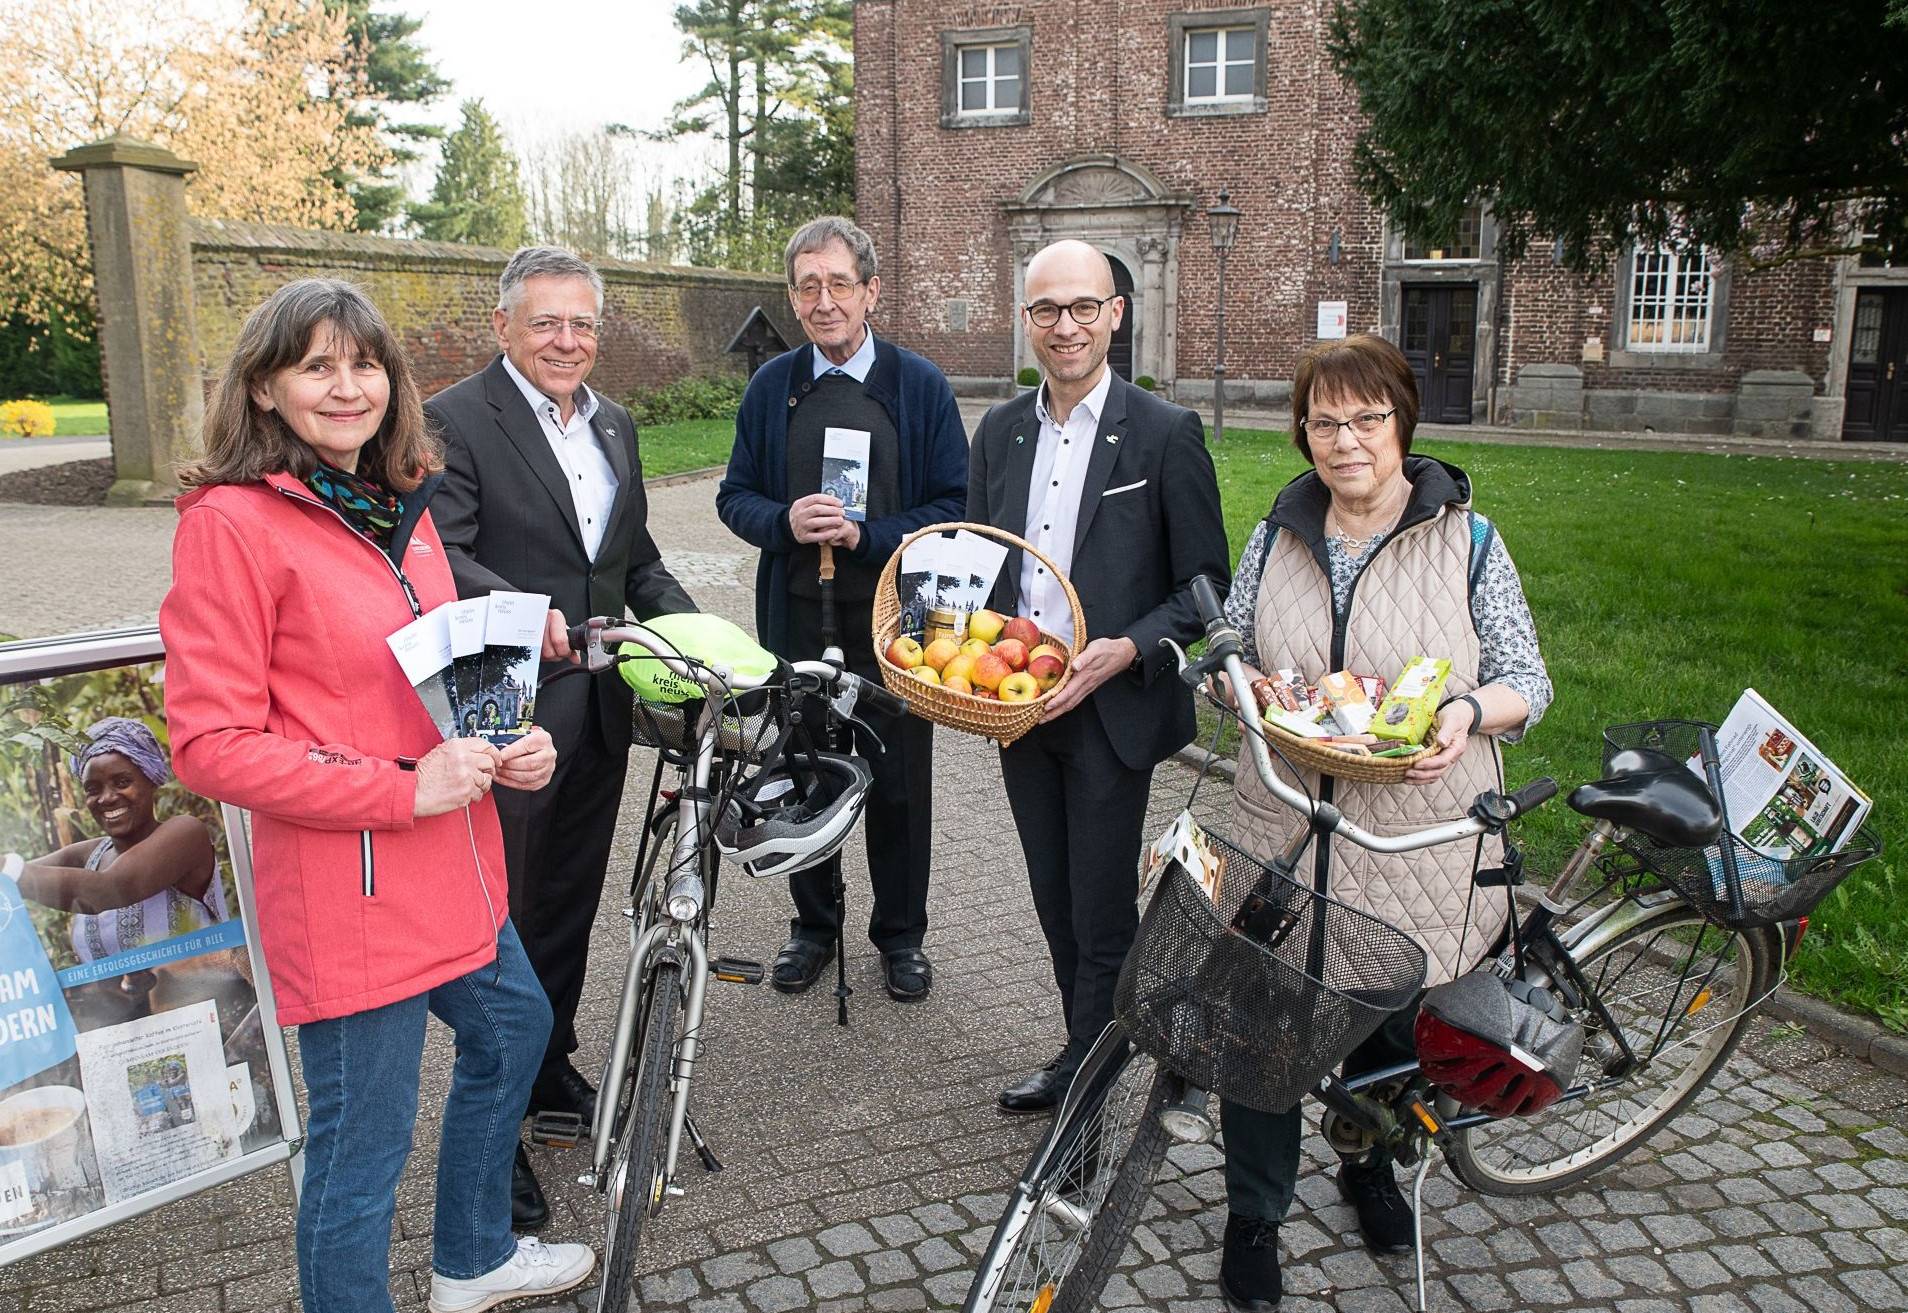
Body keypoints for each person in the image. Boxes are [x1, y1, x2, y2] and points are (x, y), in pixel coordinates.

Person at [159, 278, 590, 1313]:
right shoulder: (231, 525)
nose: (346, 387)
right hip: (352, 892)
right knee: (364, 1153)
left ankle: (474, 1256)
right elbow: (209, 745)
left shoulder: (403, 502)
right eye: (315, 365)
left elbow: (430, 678)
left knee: (515, 1031)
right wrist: (405, 785)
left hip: (455, 869)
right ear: (263, 387)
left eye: (364, 363)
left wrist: (506, 739)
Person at [1213, 332, 1552, 1311]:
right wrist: (1243, 685)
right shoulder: (1275, 534)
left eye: (1367, 417)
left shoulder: (1469, 539)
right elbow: (1226, 648)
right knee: (1264, 1029)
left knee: (1386, 1030)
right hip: (1282, 826)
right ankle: (1253, 1215)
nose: (1345, 438)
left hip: (1414, 839)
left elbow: (1527, 680)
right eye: (1325, 419)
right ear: (1303, 430)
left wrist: (1465, 712)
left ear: (1402, 422)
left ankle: (1366, 1161)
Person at [426, 246, 696, 1224]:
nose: (567, 340)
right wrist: (522, 607)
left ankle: (548, 1072)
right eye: (546, 322)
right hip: (508, 714)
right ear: (503, 326)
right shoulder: (453, 420)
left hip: (600, 712)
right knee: (496, 921)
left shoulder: (615, 424)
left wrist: (707, 638)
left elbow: (637, 562)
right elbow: (438, 557)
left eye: (582, 323)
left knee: (567, 906)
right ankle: (489, 1140)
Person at [967, 239, 1229, 1114]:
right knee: (1053, 893)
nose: (1065, 326)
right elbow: (979, 564)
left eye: (1084, 307)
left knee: (1103, 903)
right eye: (1046, 309)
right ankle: (1090, 1040)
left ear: (1117, 311)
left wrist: (1131, 647)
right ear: (1026, 319)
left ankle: (1089, 1081)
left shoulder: (1166, 432)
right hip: (1020, 700)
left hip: (1112, 705)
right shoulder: (999, 431)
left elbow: (1204, 589)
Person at [717, 216, 967, 1003]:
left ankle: (901, 935)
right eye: (808, 286)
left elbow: (953, 507)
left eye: (839, 284)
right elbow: (734, 497)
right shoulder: (773, 388)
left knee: (898, 786)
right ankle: (813, 927)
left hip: (895, 629)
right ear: (794, 298)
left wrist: (866, 534)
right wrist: (784, 521)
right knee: (803, 774)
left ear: (871, 292)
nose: (824, 301)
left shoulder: (915, 384)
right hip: (797, 619)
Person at [18, 717, 223, 1028]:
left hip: (208, 1028)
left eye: (122, 782)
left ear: (151, 778)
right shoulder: (91, 854)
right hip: (123, 1041)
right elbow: (21, 876)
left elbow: (109, 890)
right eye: (93, 788)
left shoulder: (185, 835)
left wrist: (10, 870)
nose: (107, 798)